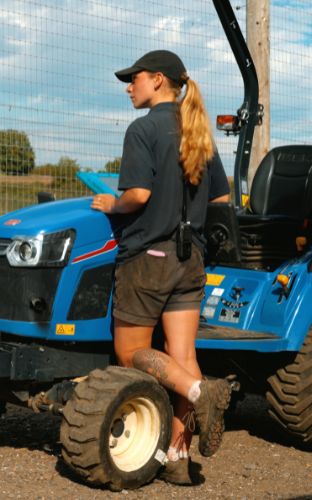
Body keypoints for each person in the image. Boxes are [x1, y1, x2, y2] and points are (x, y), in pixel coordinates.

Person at [91, 50, 232, 486]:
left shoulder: (143, 129)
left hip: (147, 258)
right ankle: (177, 459)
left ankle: (197, 391)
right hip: (191, 260)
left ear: (157, 80)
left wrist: (110, 203)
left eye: (133, 79)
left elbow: (137, 195)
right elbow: (221, 202)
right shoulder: (198, 132)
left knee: (131, 354)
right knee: (184, 356)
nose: (128, 87)